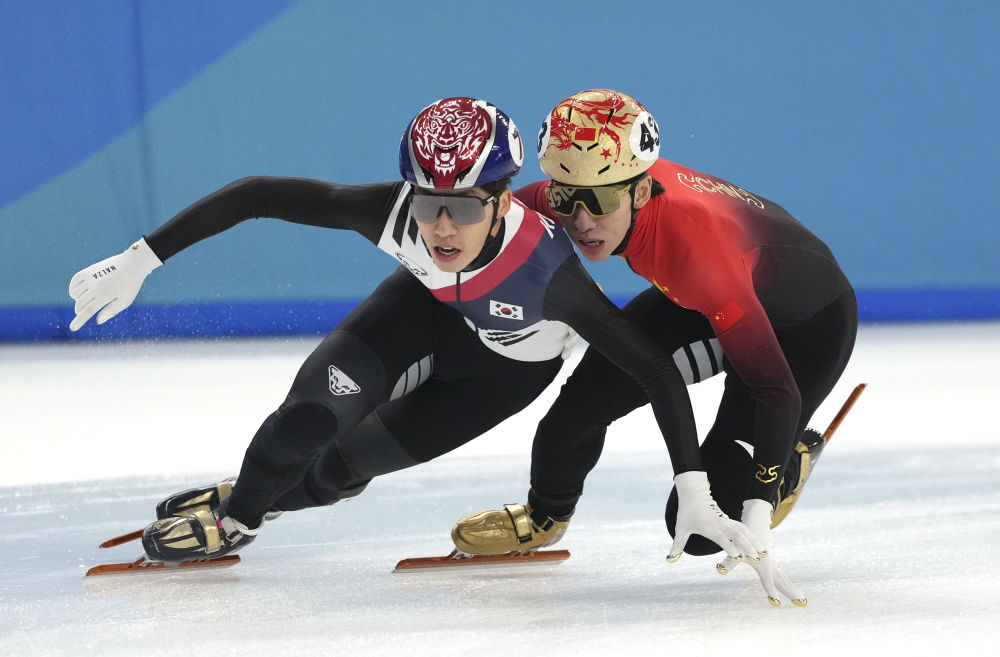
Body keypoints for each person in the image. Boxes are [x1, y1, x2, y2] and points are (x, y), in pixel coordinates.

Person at [68, 97, 762, 567]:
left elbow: (653, 369)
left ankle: (263, 491)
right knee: (310, 418)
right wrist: (141, 258)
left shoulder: (550, 276)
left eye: (465, 209)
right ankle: (238, 517)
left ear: (501, 201)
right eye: (429, 207)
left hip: (504, 373)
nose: (443, 229)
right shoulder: (393, 213)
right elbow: (258, 195)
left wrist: (694, 486)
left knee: (340, 469)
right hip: (423, 313)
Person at [451, 90, 858, 607]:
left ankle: (789, 466)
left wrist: (758, 509)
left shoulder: (696, 252)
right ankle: (545, 516)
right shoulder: (586, 185)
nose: (580, 221)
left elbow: (776, 391)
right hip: (703, 301)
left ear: (641, 191)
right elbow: (476, 216)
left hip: (803, 329)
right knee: (572, 416)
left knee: (706, 529)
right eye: (565, 199)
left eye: (600, 202)